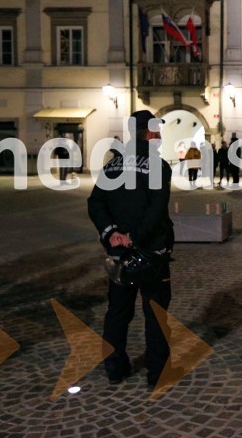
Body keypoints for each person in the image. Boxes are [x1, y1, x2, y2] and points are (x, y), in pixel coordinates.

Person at [87, 110, 174, 387]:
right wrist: (134, 237)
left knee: (117, 313)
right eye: (157, 132)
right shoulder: (159, 165)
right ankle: (157, 372)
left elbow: (95, 203)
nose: (160, 137)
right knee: (156, 314)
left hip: (119, 255)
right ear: (148, 133)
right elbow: (156, 210)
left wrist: (111, 233)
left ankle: (115, 368)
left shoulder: (112, 165)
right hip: (151, 253)